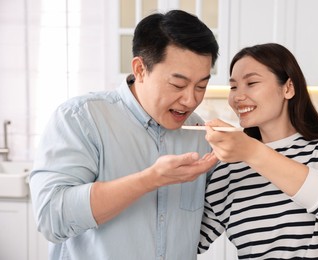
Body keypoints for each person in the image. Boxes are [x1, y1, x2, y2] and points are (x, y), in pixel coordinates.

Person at [29, 10, 219, 260]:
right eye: (178, 85)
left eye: (201, 86)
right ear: (140, 69)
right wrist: (149, 179)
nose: (191, 99)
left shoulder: (198, 132)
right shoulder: (81, 118)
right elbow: (52, 218)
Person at [198, 43, 318, 259]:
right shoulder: (229, 171)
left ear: (288, 88)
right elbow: (186, 242)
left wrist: (252, 152)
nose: (238, 96)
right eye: (233, 87)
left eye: (251, 83)